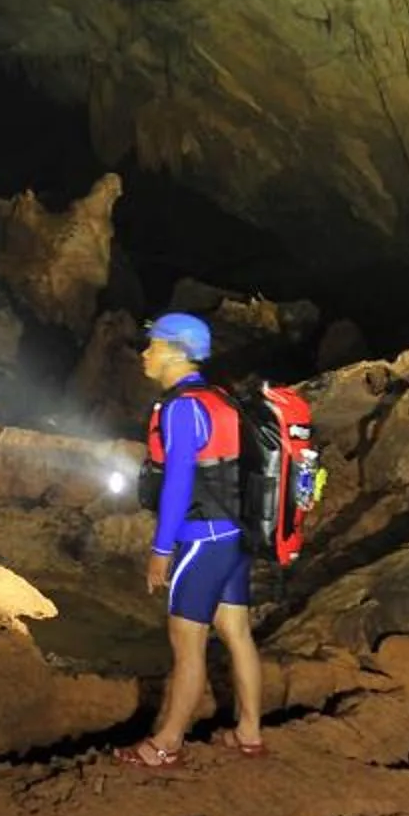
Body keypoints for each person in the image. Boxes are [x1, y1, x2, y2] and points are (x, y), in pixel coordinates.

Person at [115, 311, 266, 769]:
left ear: (175, 352)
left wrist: (161, 550)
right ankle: (249, 732)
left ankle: (166, 744)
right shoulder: (219, 398)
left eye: (152, 345)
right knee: (237, 633)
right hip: (235, 533)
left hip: (201, 539)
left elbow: (179, 482)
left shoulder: (182, 407)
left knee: (187, 645)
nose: (145, 353)